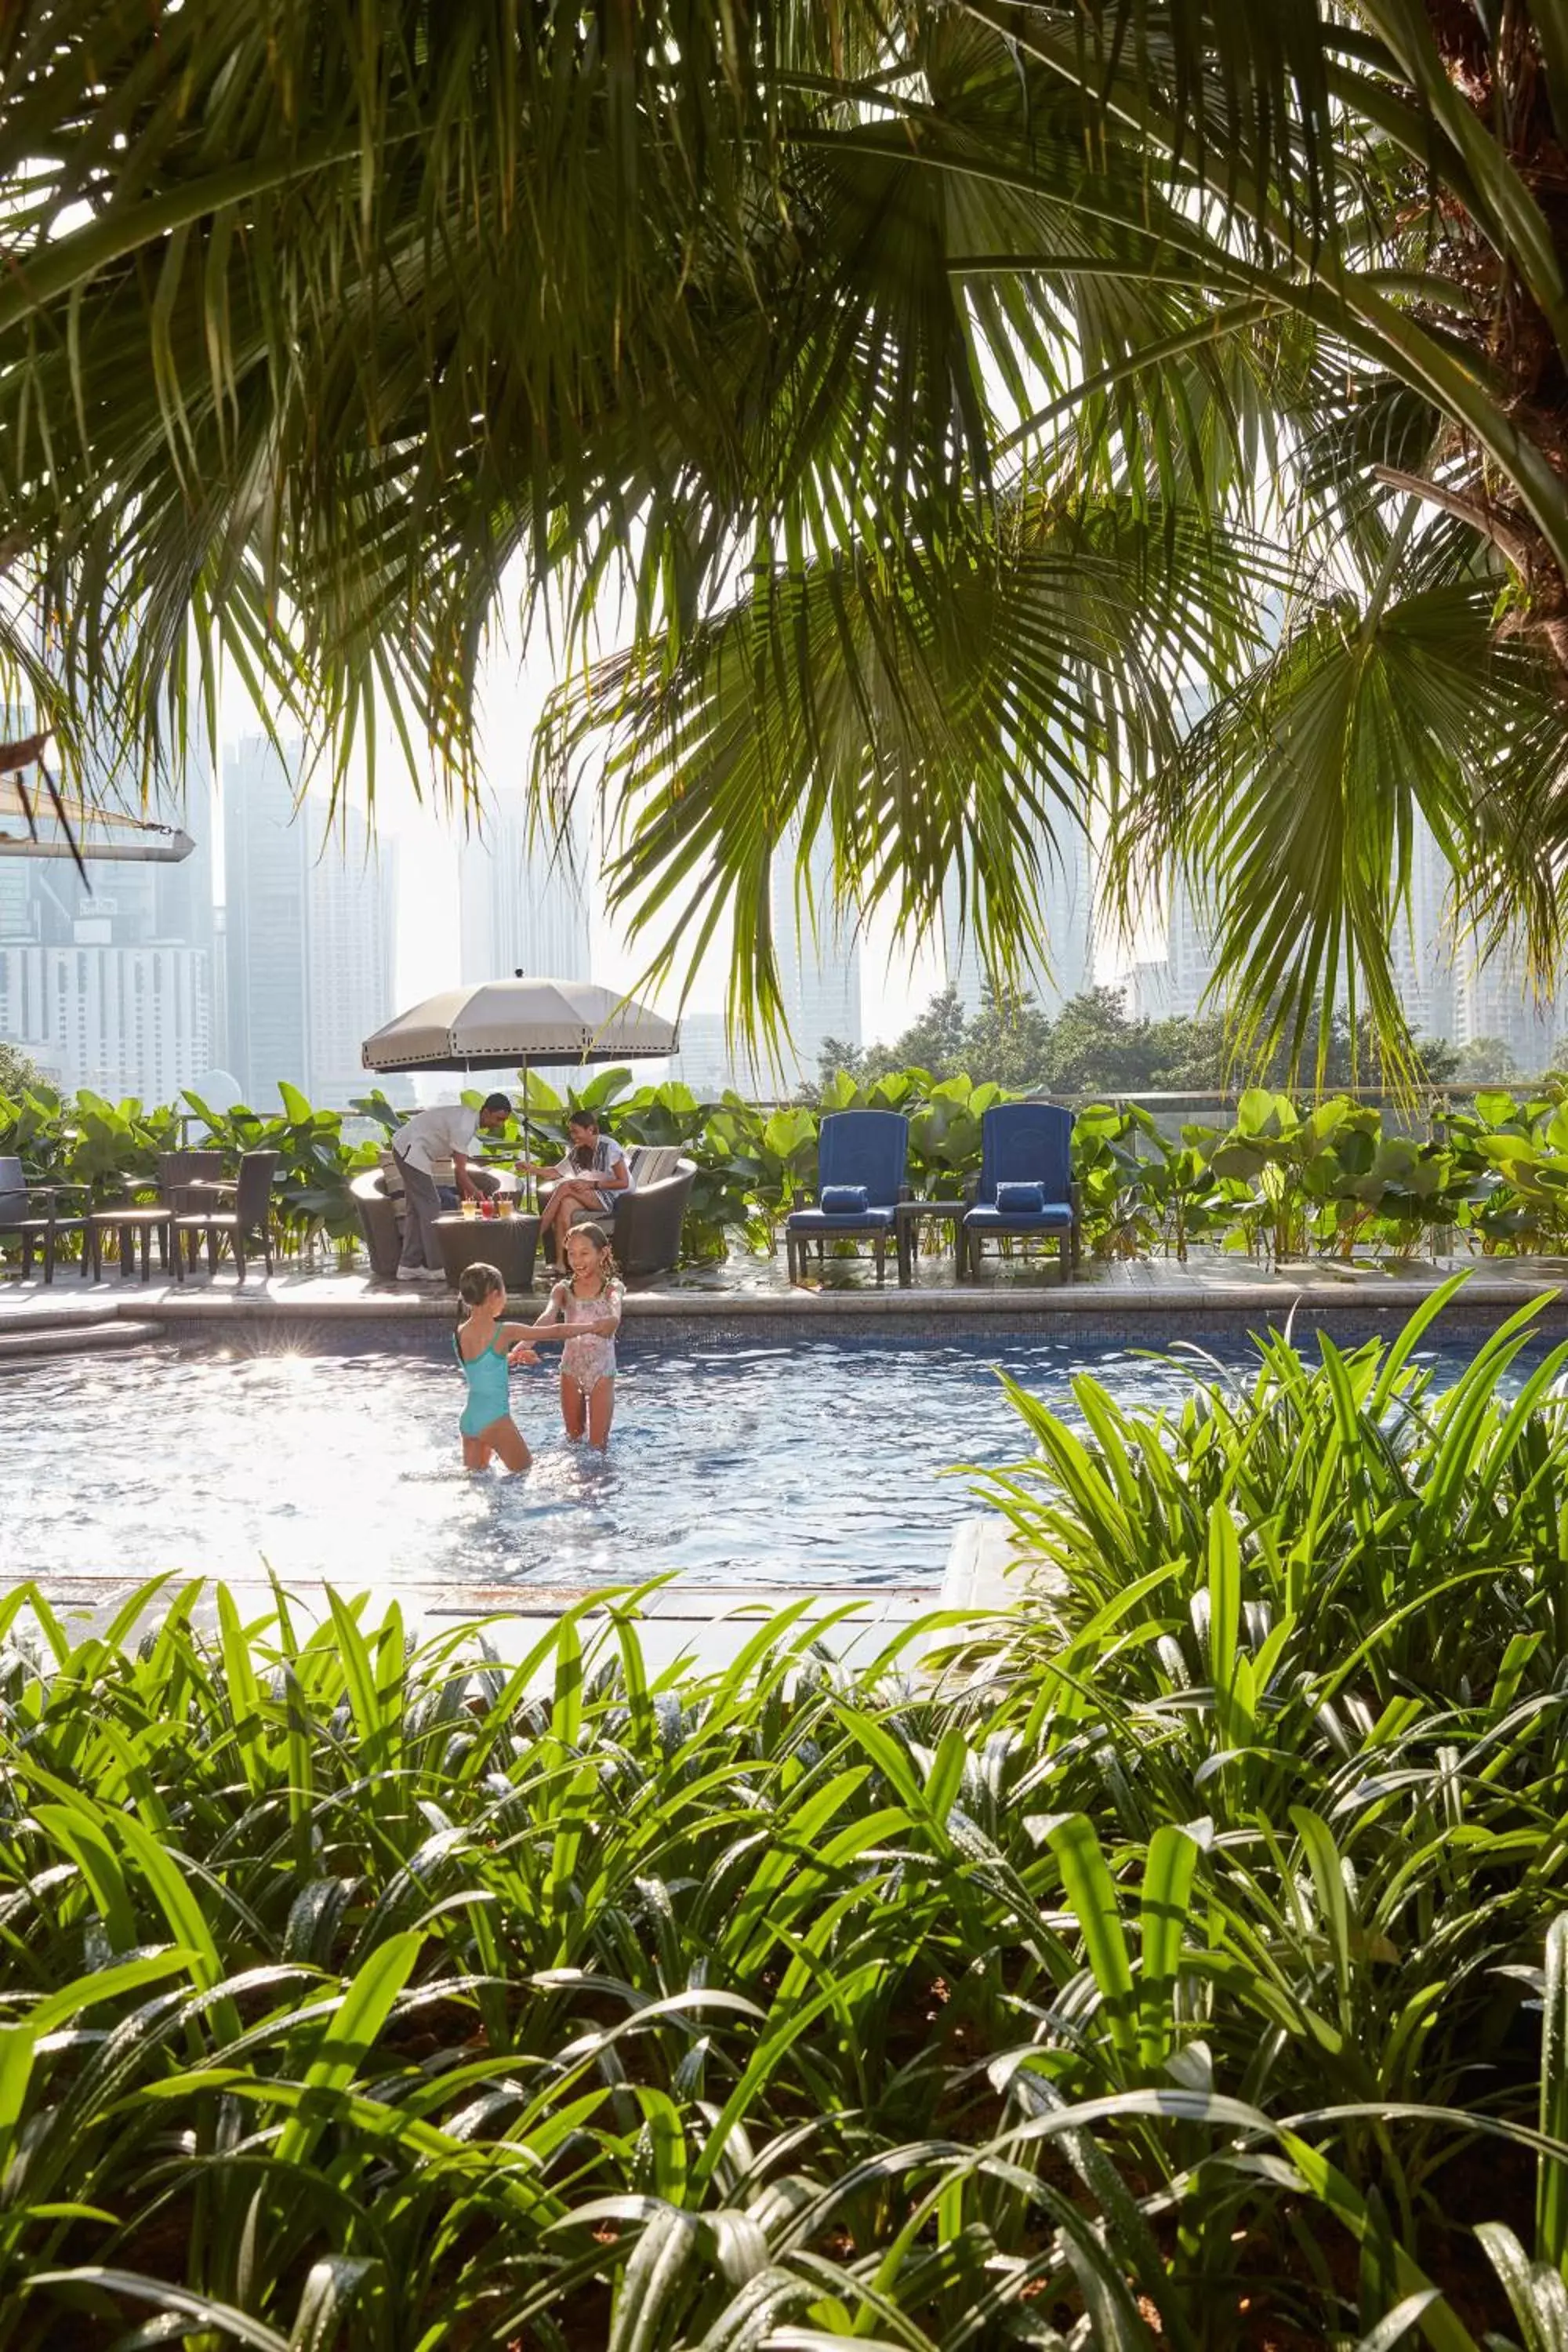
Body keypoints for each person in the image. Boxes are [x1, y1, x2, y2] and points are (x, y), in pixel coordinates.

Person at [516, 1222, 622, 1446]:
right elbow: (547, 1318)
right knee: (573, 1440)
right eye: (571, 1254)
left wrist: (613, 1319)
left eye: (584, 1253)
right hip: (571, 1369)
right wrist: (523, 1346)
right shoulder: (563, 1289)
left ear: (603, 1253)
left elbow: (615, 1308)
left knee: (598, 1445)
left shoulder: (612, 1287)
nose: (577, 1260)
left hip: (602, 1372)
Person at [390, 1093, 512, 1282]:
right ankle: (436, 1267)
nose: (500, 1124)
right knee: (431, 1204)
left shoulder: (467, 1120)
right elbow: (461, 1174)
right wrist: (481, 1197)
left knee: (416, 1208)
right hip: (410, 1150)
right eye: (498, 1119)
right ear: (486, 1112)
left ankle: (409, 1265)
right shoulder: (465, 1126)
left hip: (409, 1150)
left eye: (504, 1121)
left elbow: (460, 1161)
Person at [517, 1107, 633, 1273]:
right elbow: (556, 1172)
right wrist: (531, 1169)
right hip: (595, 1195)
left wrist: (590, 1185)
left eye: (576, 1131)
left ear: (590, 1129)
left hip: (617, 1198)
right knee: (565, 1206)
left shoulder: (609, 1147)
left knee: (565, 1187)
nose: (573, 1136)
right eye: (571, 1132)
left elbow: (623, 1182)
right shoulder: (579, 1150)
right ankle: (561, 1264)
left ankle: (532, 1238)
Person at [453, 1261, 539, 1472]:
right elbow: (554, 1331)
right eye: (504, 1291)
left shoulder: (459, 1332)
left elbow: (480, 1366)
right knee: (526, 1473)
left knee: (476, 1483)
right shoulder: (503, 1331)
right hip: (495, 1419)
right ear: (494, 1295)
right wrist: (593, 1327)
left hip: (469, 1419)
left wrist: (511, 1357)